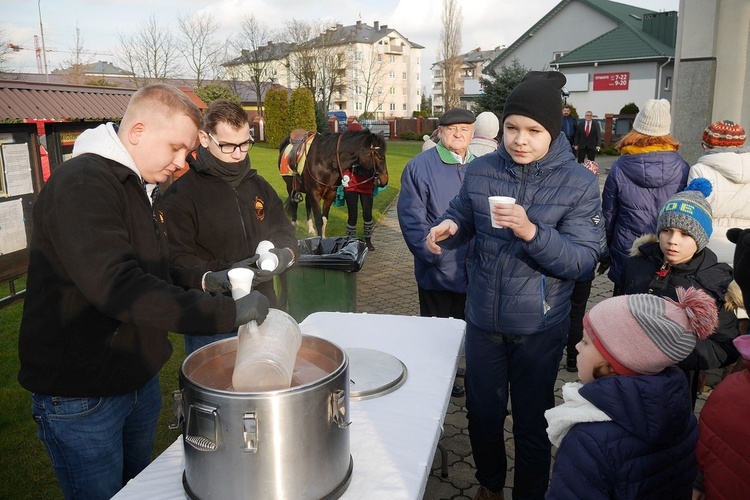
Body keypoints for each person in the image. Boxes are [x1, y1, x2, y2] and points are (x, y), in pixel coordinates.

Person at [17, 84, 270, 499]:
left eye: (185, 152)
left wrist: (211, 281)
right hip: (83, 395)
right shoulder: (83, 183)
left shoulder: (137, 185)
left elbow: (150, 266)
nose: (179, 162)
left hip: (135, 379)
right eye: (174, 148)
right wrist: (226, 313)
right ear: (137, 131)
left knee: (139, 490)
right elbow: (118, 285)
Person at [426, 72, 602, 500]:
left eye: (534, 131)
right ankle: (489, 484)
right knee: (481, 415)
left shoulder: (577, 182)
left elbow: (583, 260)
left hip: (539, 327)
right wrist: (451, 226)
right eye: (512, 128)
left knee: (531, 422)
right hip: (484, 317)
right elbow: (464, 213)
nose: (520, 140)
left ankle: (528, 492)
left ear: (552, 132)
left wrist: (531, 232)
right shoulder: (482, 169)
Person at [545, 288, 718, 499]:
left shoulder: (587, 440)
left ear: (614, 363)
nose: (576, 346)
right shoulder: (681, 413)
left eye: (586, 342)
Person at [159, 99, 298, 355]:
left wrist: (285, 254)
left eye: (245, 144)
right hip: (213, 324)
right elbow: (174, 262)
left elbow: (284, 231)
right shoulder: (180, 197)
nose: (238, 154)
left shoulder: (259, 187)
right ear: (204, 138)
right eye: (227, 146)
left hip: (265, 311)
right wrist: (218, 278)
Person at [619, 179, 741, 407]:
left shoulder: (715, 285)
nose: (673, 241)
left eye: (685, 234)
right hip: (626, 375)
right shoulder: (639, 262)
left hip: (674, 388)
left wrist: (673, 350)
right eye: (667, 230)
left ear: (701, 238)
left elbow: (725, 347)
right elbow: (616, 307)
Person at [398, 107, 476, 399]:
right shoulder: (420, 167)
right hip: (439, 270)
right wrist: (432, 255)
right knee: (436, 332)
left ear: (473, 133)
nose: (458, 134)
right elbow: (411, 218)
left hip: (472, 268)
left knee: (464, 328)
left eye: (465, 129)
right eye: (452, 128)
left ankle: (456, 369)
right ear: (440, 132)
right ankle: (435, 379)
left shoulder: (480, 166)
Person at [601, 98, 689, 295]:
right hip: (667, 249)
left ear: (637, 126)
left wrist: (605, 251)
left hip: (627, 248)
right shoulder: (683, 168)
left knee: (622, 308)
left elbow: (608, 215)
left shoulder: (619, 167)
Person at [688, 120, 749, 265]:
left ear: (707, 146)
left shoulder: (700, 170)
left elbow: (695, 212)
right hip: (745, 244)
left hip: (710, 245)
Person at [342, 119, 377, 251]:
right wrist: (345, 174)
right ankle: (351, 241)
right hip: (350, 183)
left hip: (366, 183)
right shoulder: (345, 148)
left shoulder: (367, 146)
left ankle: (368, 240)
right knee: (352, 215)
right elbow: (342, 163)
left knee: (367, 214)